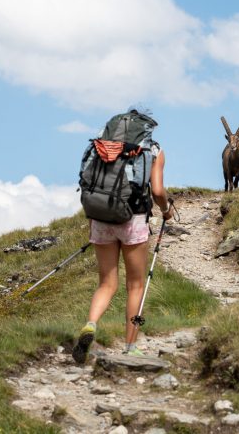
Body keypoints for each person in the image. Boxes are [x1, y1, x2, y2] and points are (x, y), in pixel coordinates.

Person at [72, 136, 173, 363]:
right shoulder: (153, 149)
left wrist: (94, 225)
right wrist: (166, 210)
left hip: (101, 218)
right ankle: (130, 347)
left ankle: (91, 324)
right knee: (135, 286)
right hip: (133, 220)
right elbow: (157, 191)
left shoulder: (103, 147)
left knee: (107, 284)